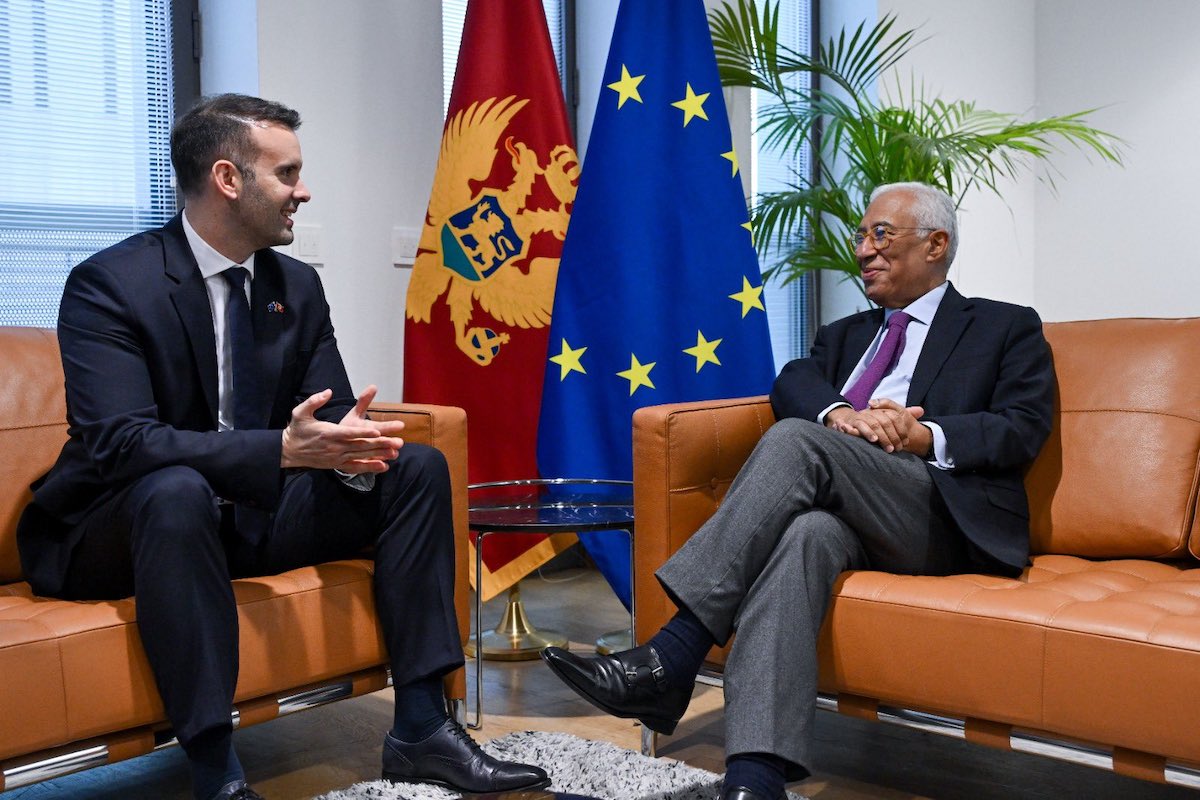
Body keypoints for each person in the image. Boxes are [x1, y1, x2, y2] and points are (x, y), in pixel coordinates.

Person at [16, 94, 549, 800]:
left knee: (414, 466)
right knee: (176, 492)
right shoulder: (111, 284)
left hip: (241, 516)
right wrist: (283, 452)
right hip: (116, 528)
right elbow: (122, 446)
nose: (304, 190)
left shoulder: (294, 287)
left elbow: (319, 421)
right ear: (229, 180)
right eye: (288, 173)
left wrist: (347, 448)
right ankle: (216, 773)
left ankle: (423, 729)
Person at [542, 182, 1055, 800]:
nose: (864, 250)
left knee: (794, 441)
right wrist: (840, 412)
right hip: (847, 508)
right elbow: (795, 379)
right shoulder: (845, 334)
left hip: (936, 511)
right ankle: (755, 778)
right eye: (861, 236)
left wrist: (924, 435)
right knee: (805, 535)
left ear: (936, 244)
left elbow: (1021, 428)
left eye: (881, 236)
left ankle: (673, 652)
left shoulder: (1004, 327)